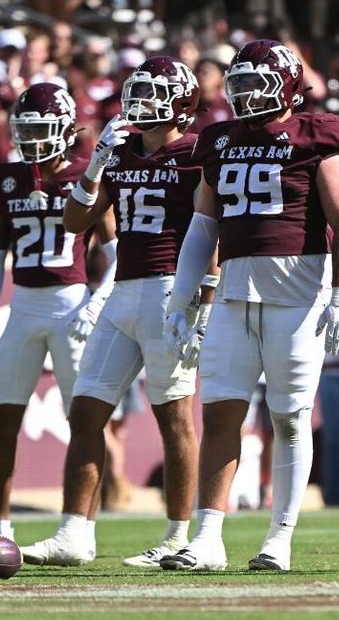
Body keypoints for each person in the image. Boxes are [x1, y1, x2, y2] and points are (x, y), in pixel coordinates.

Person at [158, 39, 339, 572]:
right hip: (233, 295)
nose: (247, 94)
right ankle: (207, 538)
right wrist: (181, 299)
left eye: (257, 83)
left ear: (289, 86)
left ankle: (279, 539)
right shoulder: (219, 139)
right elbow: (203, 226)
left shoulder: (317, 135)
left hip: (297, 296)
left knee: (290, 418)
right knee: (220, 412)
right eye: (240, 83)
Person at [19, 57, 210, 569]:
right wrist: (96, 164)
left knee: (174, 417)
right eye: (137, 92)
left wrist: (203, 301)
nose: (140, 103)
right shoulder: (120, 153)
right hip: (124, 288)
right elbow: (74, 221)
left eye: (152, 94)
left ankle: (177, 536)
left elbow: (212, 228)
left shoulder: (196, 152)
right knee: (85, 411)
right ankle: (73, 533)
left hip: (172, 289)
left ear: (180, 103)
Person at [0, 83, 116, 564]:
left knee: (84, 421)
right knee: (4, 418)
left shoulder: (86, 174)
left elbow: (115, 253)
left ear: (65, 131)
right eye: (24, 130)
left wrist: (95, 303)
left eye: (41, 130)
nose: (31, 140)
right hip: (24, 306)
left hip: (71, 306)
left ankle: (82, 529)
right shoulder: (6, 179)